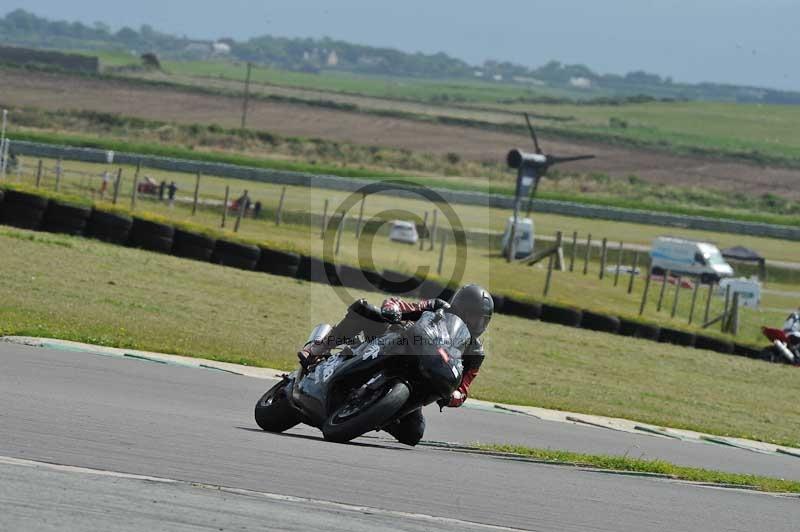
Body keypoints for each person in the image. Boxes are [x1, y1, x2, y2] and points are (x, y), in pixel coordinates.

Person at [298, 284, 493, 446]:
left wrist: (453, 396)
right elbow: (404, 306)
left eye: (483, 320)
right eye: (475, 316)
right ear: (460, 308)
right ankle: (318, 347)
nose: (477, 324)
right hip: (398, 345)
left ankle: (376, 413)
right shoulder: (438, 308)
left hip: (421, 378)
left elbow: (464, 387)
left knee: (413, 434)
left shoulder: (475, 352)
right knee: (367, 311)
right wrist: (393, 309)